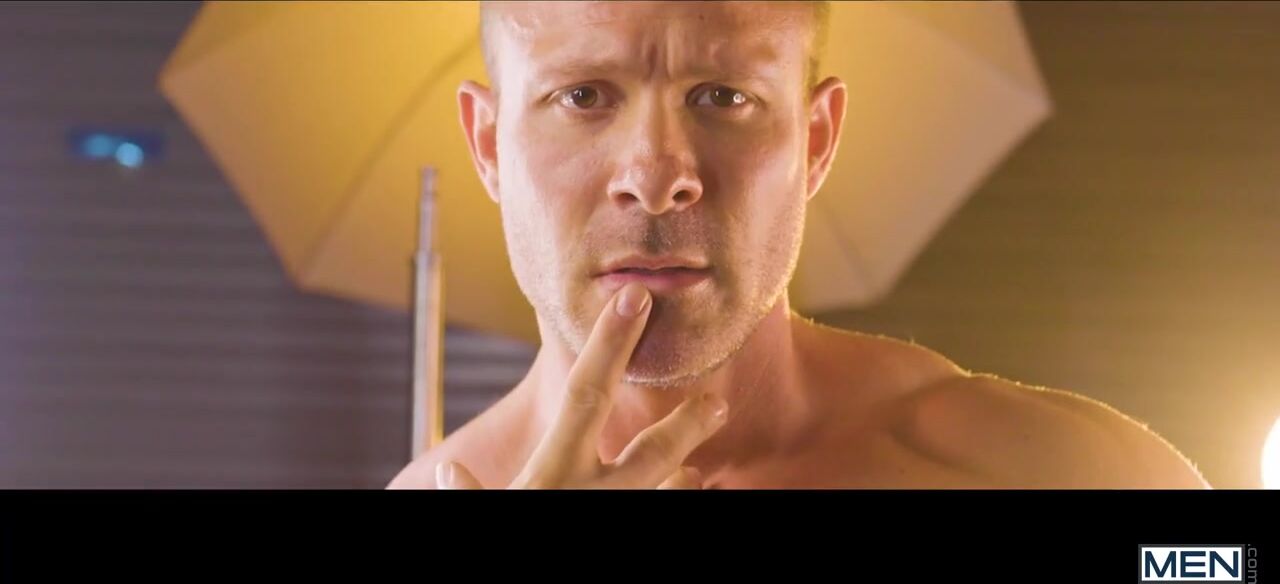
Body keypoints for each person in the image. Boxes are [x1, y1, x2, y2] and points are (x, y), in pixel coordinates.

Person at [387, 1, 1208, 489]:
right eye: (582, 96)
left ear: (816, 142)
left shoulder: (1052, 473)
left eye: (722, 96)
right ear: (488, 145)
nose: (657, 176)